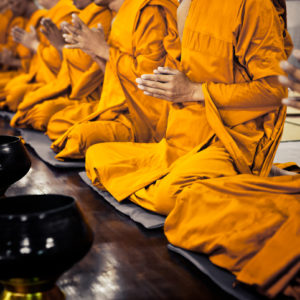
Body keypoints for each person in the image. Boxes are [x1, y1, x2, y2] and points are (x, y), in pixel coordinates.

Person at [85, 0, 300, 297]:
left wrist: (194, 91)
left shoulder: (252, 5)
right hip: (182, 136)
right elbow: (168, 78)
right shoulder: (185, 5)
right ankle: (250, 179)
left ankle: (245, 177)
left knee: (167, 197)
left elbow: (274, 90)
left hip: (228, 139)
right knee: (97, 154)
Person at [49, 0, 180, 158]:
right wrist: (94, 53)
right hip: (116, 107)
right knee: (57, 123)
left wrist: (103, 49)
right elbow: (114, 79)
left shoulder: (148, 12)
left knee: (79, 138)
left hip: (145, 118)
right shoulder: (118, 17)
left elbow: (150, 78)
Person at [7, 0, 112, 131]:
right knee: (19, 100)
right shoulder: (74, 14)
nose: (10, 6)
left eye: (12, 2)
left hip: (90, 93)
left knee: (39, 114)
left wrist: (41, 45)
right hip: (59, 81)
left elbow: (83, 62)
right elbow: (61, 62)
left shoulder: (98, 15)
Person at [0, 0, 78, 112]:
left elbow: (64, 61)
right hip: (41, 76)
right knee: (14, 95)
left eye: (12, 2)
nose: (9, 6)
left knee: (20, 101)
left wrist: (34, 45)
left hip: (64, 83)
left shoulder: (68, 14)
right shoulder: (47, 16)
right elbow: (36, 62)